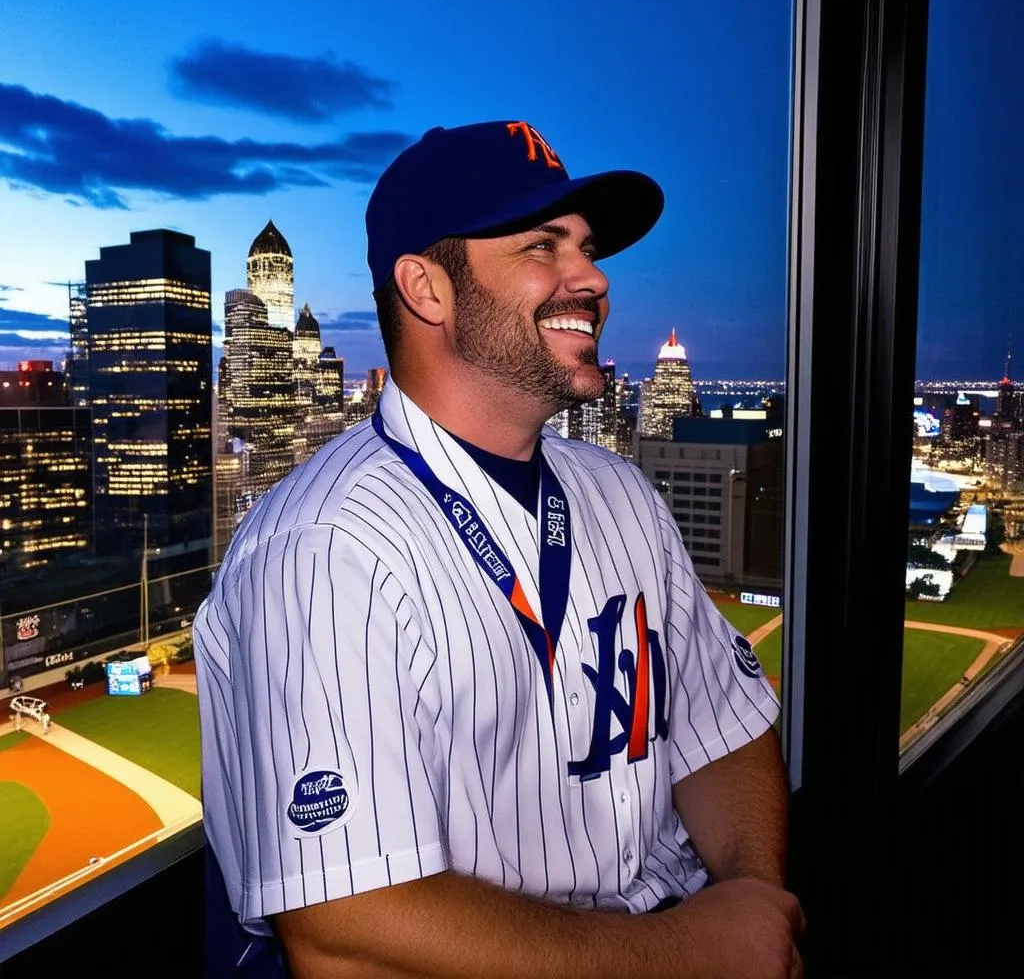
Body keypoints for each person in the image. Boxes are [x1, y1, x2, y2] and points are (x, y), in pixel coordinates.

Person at [194, 119, 805, 979]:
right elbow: (347, 936)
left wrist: (752, 904)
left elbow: (724, 732)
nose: (592, 278)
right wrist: (696, 952)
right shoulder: (324, 551)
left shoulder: (622, 492)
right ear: (427, 290)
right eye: (542, 246)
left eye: (587, 247)